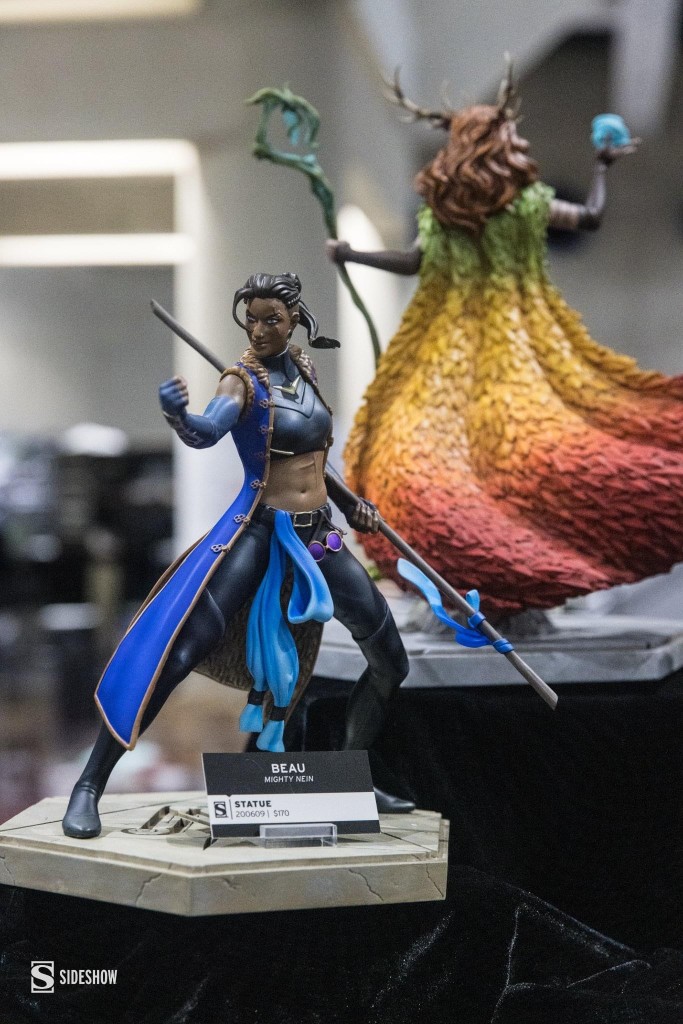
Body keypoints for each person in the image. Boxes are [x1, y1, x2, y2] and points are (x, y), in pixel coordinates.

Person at [62, 272, 411, 839]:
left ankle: (353, 779)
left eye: (271, 319)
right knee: (176, 652)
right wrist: (180, 417)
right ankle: (89, 785)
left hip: (319, 538)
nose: (259, 330)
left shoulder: (304, 370)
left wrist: (354, 506)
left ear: (294, 320)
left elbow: (315, 462)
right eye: (251, 320)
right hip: (259, 536)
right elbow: (207, 430)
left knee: (391, 660)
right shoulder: (239, 381)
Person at [325, 75, 683, 618]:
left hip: (500, 343)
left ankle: (510, 570)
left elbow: (413, 261)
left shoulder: (506, 207)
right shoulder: (474, 211)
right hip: (466, 344)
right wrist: (354, 256)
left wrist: (353, 256)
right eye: (507, 137)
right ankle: (475, 568)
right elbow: (587, 218)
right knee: (435, 450)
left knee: (526, 440)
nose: (517, 144)